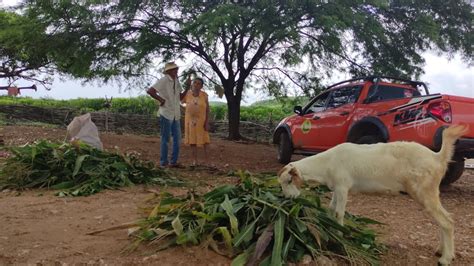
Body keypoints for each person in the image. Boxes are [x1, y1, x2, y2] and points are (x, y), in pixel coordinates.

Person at [146, 62, 189, 167]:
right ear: (168, 71)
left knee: (177, 139)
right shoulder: (164, 80)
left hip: (175, 114)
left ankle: (173, 162)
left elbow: (180, 97)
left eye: (176, 69)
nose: (176, 71)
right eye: (174, 69)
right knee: (166, 139)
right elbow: (150, 91)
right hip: (166, 113)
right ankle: (163, 163)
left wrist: (187, 87)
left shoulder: (176, 81)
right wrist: (161, 100)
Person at [182, 77, 210, 166]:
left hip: (201, 121)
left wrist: (206, 122)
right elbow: (180, 102)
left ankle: (207, 161)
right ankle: (195, 161)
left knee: (205, 141)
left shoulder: (204, 95)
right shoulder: (187, 94)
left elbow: (207, 109)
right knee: (192, 141)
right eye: (195, 83)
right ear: (192, 84)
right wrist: (187, 111)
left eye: (199, 84)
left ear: (201, 86)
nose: (196, 85)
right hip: (190, 121)